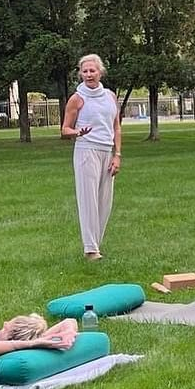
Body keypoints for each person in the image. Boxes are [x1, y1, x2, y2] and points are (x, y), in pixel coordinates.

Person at [61, 53, 122, 260]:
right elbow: (65, 129)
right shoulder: (77, 99)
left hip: (107, 151)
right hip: (86, 150)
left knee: (105, 201)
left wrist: (117, 155)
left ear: (100, 72)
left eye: (92, 71)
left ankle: (96, 243)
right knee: (88, 200)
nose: (88, 74)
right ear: (80, 74)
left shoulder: (110, 96)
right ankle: (90, 249)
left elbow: (116, 127)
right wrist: (77, 132)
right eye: (85, 71)